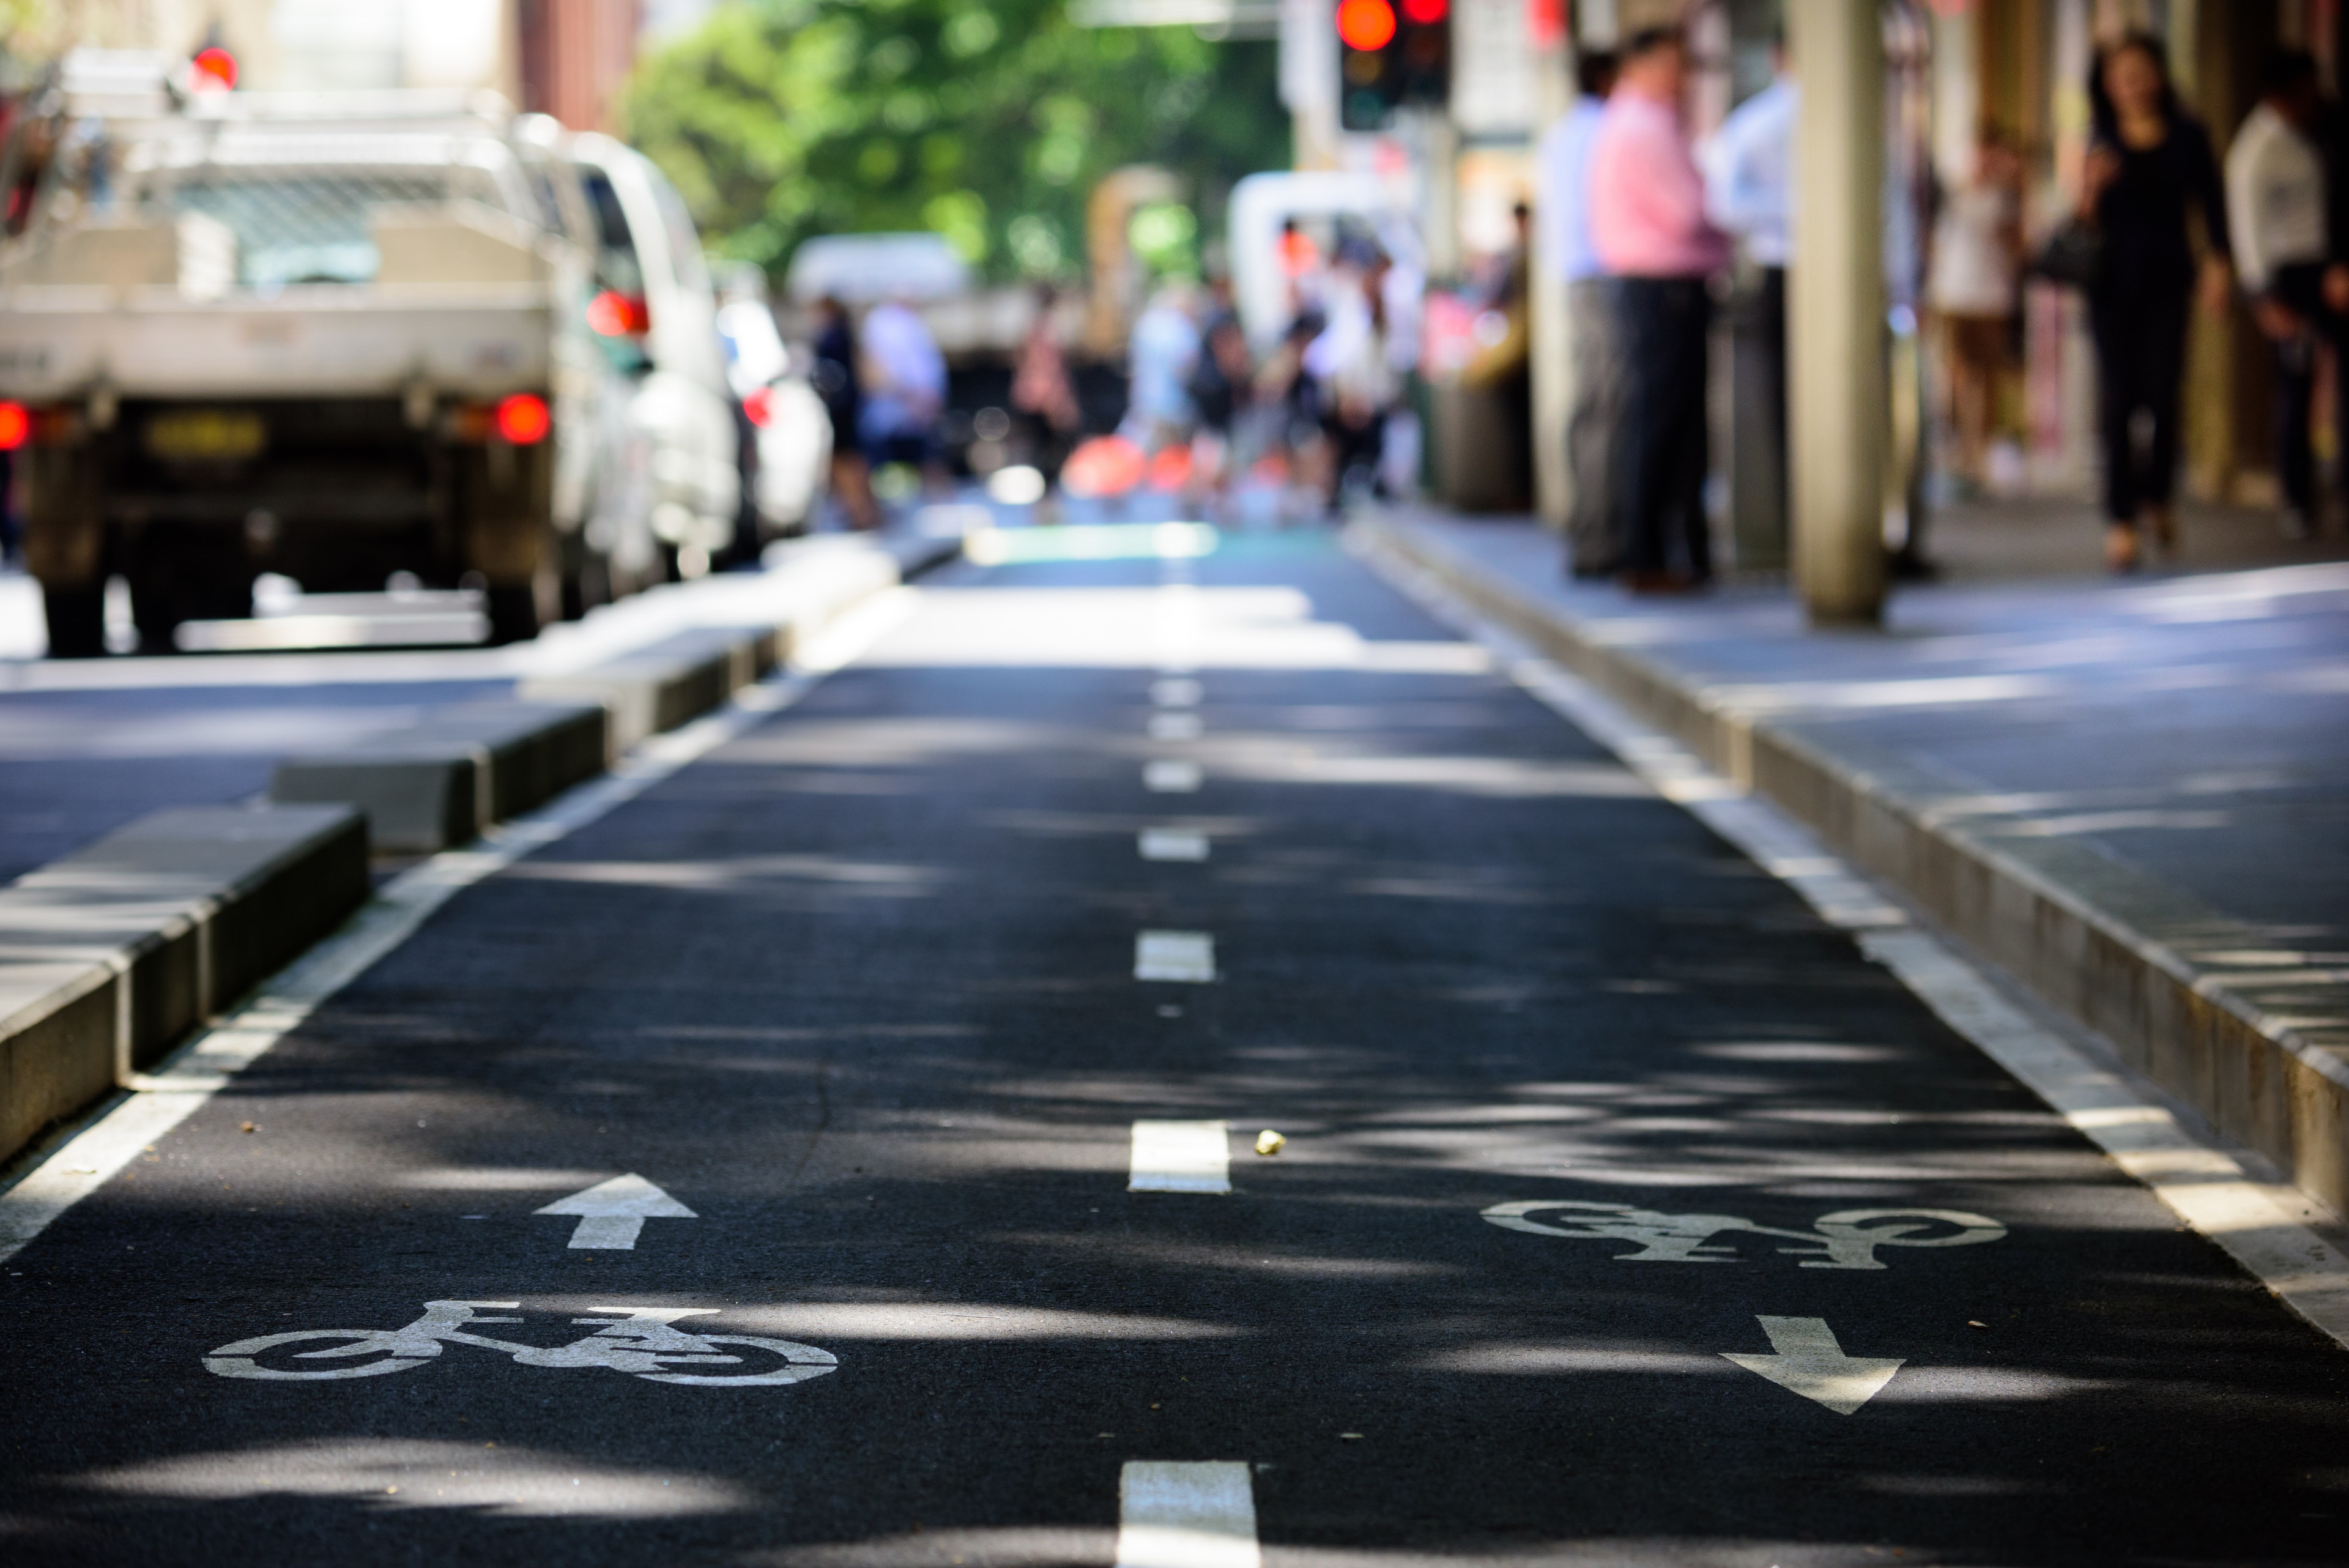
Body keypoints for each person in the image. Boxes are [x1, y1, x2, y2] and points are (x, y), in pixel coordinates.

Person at [2082, 32, 2233, 572]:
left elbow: (2212, 207)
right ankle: (2121, 521)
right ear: (2107, 85)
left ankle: (2158, 497)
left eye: (2142, 73)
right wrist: (2090, 189)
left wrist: (2219, 264)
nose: (2133, 85)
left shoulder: (2189, 136)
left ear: (2161, 76)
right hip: (2111, 287)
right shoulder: (2098, 139)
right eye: (2122, 76)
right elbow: (2080, 224)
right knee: (2119, 401)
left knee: (2164, 397)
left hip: (2169, 282)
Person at [1587, 26, 1728, 592]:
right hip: (1662, 287)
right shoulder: (1645, 126)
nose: (1682, 78)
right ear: (1642, 65)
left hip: (1656, 287)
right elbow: (1692, 210)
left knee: (1667, 422)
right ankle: (1651, 551)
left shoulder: (1635, 122)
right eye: (1675, 65)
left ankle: (1672, 548)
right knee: (1665, 423)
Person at [2228, 48, 2332, 541]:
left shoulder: (2320, 132)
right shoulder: (2255, 152)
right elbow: (2247, 233)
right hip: (2285, 275)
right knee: (2294, 385)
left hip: (2327, 267)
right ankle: (2296, 496)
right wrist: (2265, 298)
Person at [1702, 38, 1794, 549]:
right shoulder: (1760, 122)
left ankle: (1790, 515)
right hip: (1787, 268)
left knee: (1780, 402)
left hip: (1776, 267)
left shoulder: (1752, 123)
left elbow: (1725, 204)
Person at [1537, 48, 1623, 576]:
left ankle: (1589, 527)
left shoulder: (1564, 133)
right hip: (1605, 272)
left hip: (1576, 275)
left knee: (1592, 403)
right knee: (1608, 405)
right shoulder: (1604, 132)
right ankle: (1600, 533)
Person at [1926, 127, 2024, 491]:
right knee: (1956, 373)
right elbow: (1935, 244)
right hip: (1954, 295)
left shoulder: (2006, 198)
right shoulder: (1952, 196)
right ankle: (1957, 449)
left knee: (1983, 377)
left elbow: (2018, 244)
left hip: (1992, 297)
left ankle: (1978, 449)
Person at [858, 295, 948, 485]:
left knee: (928, 458)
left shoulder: (907, 323)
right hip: (895, 404)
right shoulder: (883, 323)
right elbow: (878, 369)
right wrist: (911, 394)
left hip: (910, 403)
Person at [808, 296, 877, 529]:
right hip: (848, 404)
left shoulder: (835, 336)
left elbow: (832, 373)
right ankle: (861, 512)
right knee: (851, 460)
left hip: (841, 407)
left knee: (845, 460)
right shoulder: (846, 334)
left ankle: (861, 513)